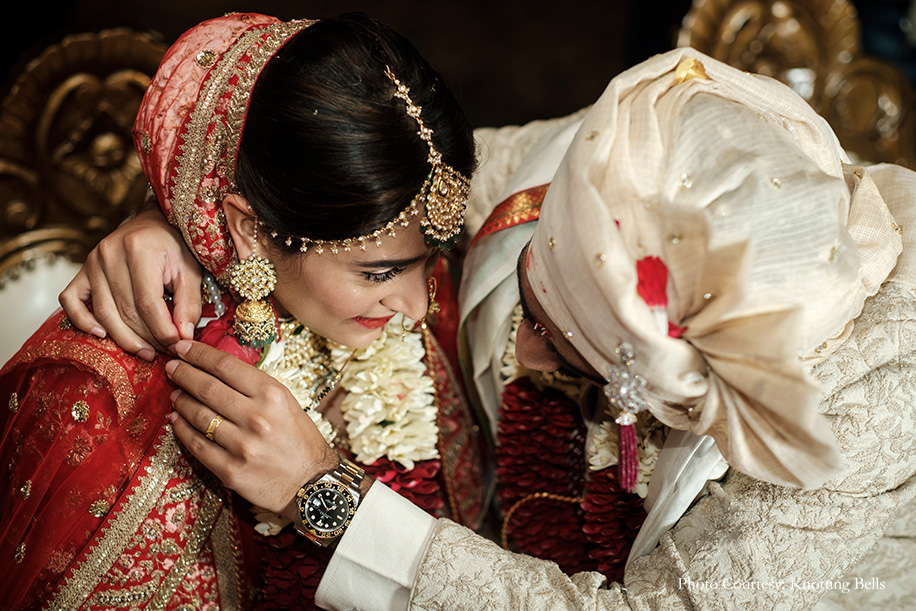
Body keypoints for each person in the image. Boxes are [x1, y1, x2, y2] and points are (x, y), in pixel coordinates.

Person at [59, 47, 916, 608]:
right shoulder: (642, 155)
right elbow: (361, 186)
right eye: (534, 307)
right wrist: (181, 219)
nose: (522, 351)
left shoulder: (859, 412)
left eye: (565, 351)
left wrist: (329, 494)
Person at [0, 12, 489, 610]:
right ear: (251, 232)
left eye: (431, 258)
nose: (417, 308)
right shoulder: (106, 400)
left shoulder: (397, 314)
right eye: (379, 273)